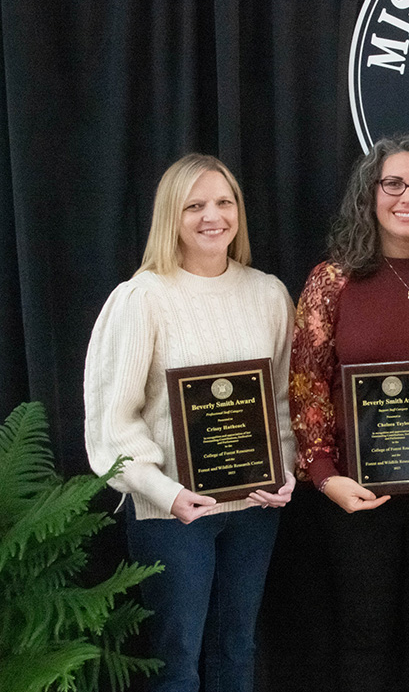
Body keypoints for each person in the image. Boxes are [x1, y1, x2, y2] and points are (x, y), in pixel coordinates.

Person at [84, 154, 296, 692]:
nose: (212, 216)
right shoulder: (141, 299)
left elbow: (281, 403)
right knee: (176, 661)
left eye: (224, 202)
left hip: (254, 508)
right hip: (172, 516)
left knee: (237, 648)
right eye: (194, 205)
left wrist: (286, 469)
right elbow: (113, 423)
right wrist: (165, 491)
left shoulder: (268, 293)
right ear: (170, 217)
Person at [289, 134, 409, 692]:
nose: (408, 197)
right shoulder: (331, 282)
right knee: (363, 634)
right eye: (393, 183)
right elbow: (306, 387)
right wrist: (326, 478)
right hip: (356, 495)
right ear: (369, 194)